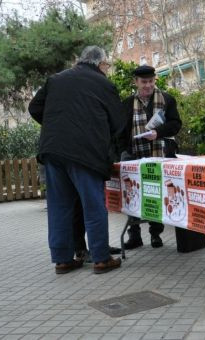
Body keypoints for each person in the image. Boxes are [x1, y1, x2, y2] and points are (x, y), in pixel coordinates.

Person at [29, 46, 124, 274]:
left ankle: (62, 260)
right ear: (100, 64)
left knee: (59, 207)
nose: (107, 69)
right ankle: (101, 258)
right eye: (107, 65)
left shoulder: (56, 79)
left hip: (53, 151)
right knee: (93, 206)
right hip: (86, 154)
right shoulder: (104, 84)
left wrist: (59, 126)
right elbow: (119, 122)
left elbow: (34, 107)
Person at [119, 65, 181, 249]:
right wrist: (123, 152)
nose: (148, 85)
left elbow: (176, 124)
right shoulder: (127, 103)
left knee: (156, 193)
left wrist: (158, 133)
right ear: (136, 82)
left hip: (159, 153)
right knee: (132, 195)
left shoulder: (167, 100)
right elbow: (121, 132)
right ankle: (134, 236)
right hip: (134, 156)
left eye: (151, 81)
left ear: (155, 80)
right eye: (143, 82)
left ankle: (156, 234)